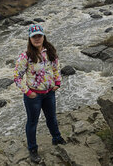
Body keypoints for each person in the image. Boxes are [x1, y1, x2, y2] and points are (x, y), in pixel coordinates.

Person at [14, 24, 67, 164]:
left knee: (52, 118)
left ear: (43, 36)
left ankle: (57, 138)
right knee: (32, 122)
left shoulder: (50, 51)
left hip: (49, 93)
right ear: (30, 39)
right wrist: (28, 92)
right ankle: (33, 150)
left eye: (39, 36)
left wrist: (58, 83)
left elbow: (56, 68)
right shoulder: (25, 56)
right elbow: (17, 77)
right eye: (34, 36)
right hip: (34, 96)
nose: (37, 38)